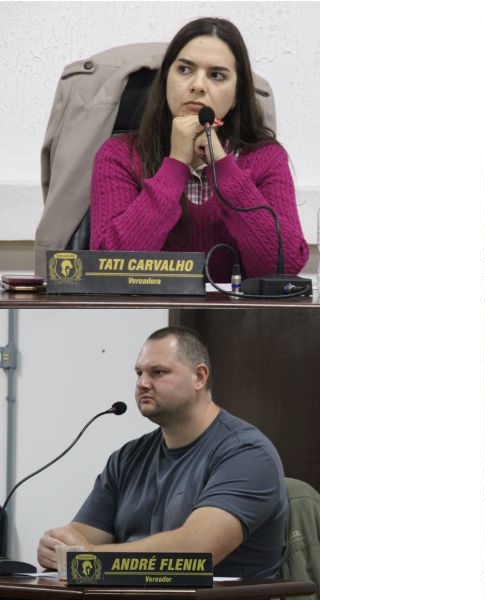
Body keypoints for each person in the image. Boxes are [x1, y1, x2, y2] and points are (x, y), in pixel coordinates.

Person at [37, 326, 288, 579]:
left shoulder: (247, 454)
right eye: (139, 373)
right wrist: (55, 546)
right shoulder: (127, 458)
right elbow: (79, 540)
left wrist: (91, 557)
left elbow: (195, 551)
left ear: (199, 377)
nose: (142, 383)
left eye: (158, 372)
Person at [89, 18, 309, 282]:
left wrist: (224, 166)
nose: (198, 85)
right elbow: (106, 269)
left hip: (237, 317)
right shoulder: (119, 155)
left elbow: (281, 271)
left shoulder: (266, 159)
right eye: (184, 70)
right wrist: (175, 165)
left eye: (216, 75)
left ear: (238, 94)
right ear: (165, 80)